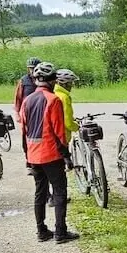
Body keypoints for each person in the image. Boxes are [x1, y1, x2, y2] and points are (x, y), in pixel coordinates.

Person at [20, 66, 79, 243]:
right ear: (53, 80)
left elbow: (24, 130)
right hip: (51, 154)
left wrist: (27, 156)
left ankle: (41, 231)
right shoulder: (53, 100)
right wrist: (66, 156)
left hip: (33, 154)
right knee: (60, 192)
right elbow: (59, 131)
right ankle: (60, 232)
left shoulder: (27, 100)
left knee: (40, 192)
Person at [15, 60, 55, 176]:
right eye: (30, 68)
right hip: (28, 111)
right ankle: (29, 162)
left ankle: (36, 163)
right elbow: (18, 98)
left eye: (33, 68)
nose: (31, 70)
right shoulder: (24, 81)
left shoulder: (44, 80)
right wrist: (18, 113)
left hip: (41, 109)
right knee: (28, 138)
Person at [54, 69, 78, 136]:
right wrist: (77, 127)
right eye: (70, 82)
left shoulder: (53, 93)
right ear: (64, 84)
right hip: (62, 135)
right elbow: (68, 123)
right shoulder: (64, 97)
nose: (72, 85)